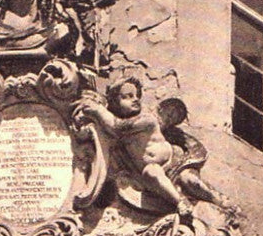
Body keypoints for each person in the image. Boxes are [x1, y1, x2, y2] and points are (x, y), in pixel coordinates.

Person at [77, 77, 188, 213]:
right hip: (146, 176)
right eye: (128, 96)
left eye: (136, 96)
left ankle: (181, 202)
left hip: (167, 166)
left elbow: (116, 126)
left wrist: (98, 110)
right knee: (151, 172)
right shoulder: (132, 128)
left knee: (152, 170)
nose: (135, 99)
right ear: (115, 102)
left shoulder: (147, 120)